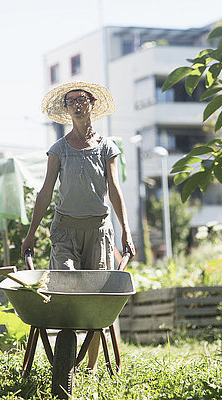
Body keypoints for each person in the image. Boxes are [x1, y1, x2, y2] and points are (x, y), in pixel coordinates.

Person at [20, 81, 135, 371]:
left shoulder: (106, 147)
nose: (77, 104)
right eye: (71, 101)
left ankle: (92, 369)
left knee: (97, 301)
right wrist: (31, 233)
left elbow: (114, 189)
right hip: (65, 232)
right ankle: (66, 359)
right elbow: (45, 192)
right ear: (66, 109)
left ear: (92, 104)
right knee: (67, 292)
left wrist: (126, 230)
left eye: (82, 99)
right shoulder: (58, 149)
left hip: (99, 232)